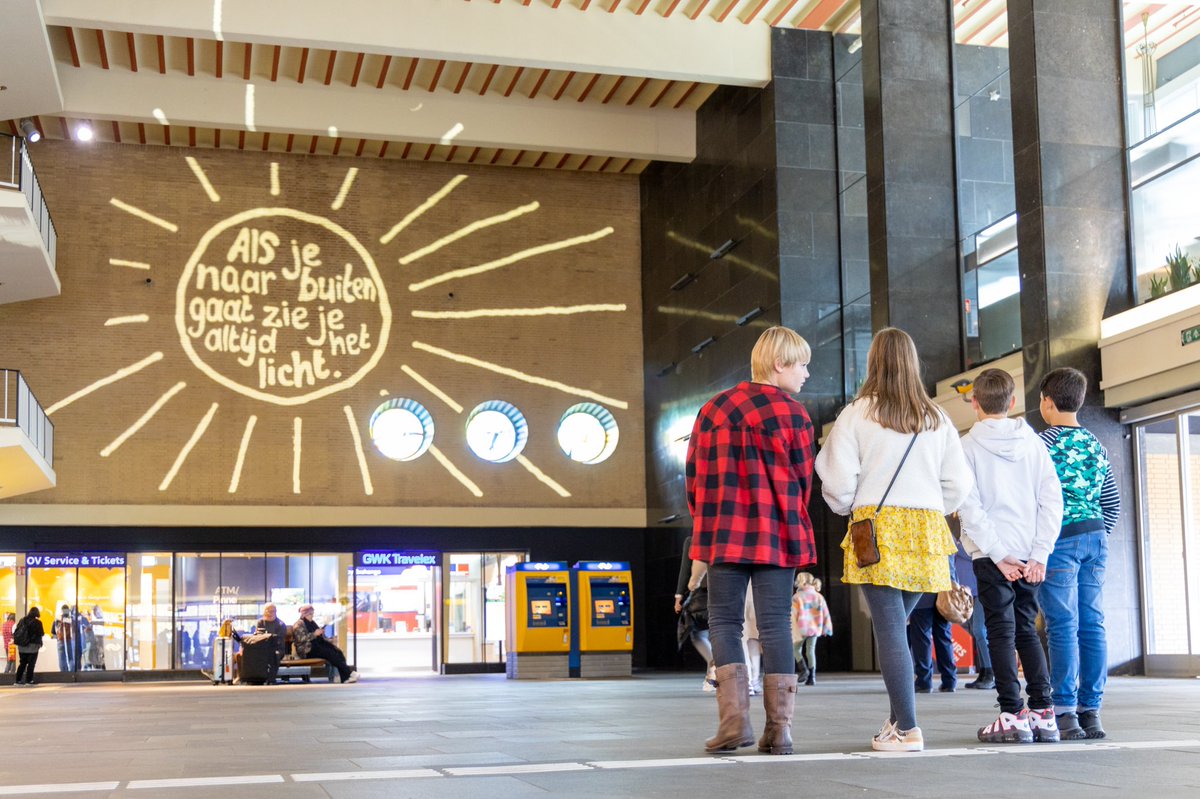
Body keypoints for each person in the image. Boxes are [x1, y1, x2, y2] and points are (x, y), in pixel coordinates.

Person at [815, 327, 972, 753]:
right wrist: (928, 505)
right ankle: (895, 721)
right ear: (913, 362)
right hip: (925, 528)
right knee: (895, 629)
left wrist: (848, 505)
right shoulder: (936, 416)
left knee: (889, 632)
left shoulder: (857, 413)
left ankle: (908, 728)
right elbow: (959, 482)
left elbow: (837, 477)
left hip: (877, 528)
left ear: (874, 362)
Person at [685, 325, 816, 756]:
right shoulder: (795, 416)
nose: (806, 375)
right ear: (780, 364)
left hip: (724, 532)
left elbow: (694, 480)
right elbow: (802, 481)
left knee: (725, 623)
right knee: (776, 623)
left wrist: (704, 523)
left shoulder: (712, 410)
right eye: (802, 365)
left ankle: (733, 725)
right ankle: (780, 731)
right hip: (777, 533)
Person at [957, 367, 1064, 744]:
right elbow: (1052, 499)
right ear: (1013, 402)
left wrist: (999, 555)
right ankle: (1044, 714)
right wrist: (1040, 555)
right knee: (1027, 631)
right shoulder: (1033, 442)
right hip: (1029, 554)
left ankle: (1012, 715)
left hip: (992, 554)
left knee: (1000, 632)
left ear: (975, 403)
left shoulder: (966, 447)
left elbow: (969, 507)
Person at [1037, 366, 1120, 740]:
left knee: (1062, 626)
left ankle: (1065, 712)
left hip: (1058, 541)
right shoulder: (1097, 444)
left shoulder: (1042, 445)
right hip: (1095, 538)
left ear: (1047, 402)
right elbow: (1112, 504)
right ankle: (1092, 711)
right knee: (1092, 623)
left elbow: (1031, 500)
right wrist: (1097, 534)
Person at [674, 534, 715, 692]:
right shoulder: (728, 536)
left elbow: (686, 569)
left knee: (698, 634)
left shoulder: (693, 540)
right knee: (721, 634)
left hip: (702, 593)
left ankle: (713, 664)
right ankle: (713, 675)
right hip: (727, 592)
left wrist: (679, 596)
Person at [292, 604, 358, 683]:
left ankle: (345, 678)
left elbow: (318, 636)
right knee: (329, 653)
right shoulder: (299, 624)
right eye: (310, 614)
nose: (312, 616)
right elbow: (300, 639)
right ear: (305, 614)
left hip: (316, 646)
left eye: (312, 614)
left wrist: (322, 634)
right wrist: (314, 634)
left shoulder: (312, 623)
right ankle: (349, 673)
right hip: (307, 649)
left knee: (337, 651)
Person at [907, 591, 957, 693]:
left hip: (922, 596)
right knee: (944, 637)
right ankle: (950, 681)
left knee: (922, 639)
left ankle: (924, 681)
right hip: (944, 595)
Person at [790, 573, 831, 686]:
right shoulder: (818, 596)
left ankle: (803, 670)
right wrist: (826, 628)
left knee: (795, 650)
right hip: (814, 628)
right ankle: (812, 677)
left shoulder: (797, 597)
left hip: (801, 628)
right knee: (810, 651)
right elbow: (825, 613)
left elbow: (792, 614)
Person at [14, 607, 45, 685]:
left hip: (22, 646)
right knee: (31, 664)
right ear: (37, 613)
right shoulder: (37, 622)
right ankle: (29, 680)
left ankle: (18, 680)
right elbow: (41, 633)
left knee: (22, 663)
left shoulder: (22, 620)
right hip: (33, 646)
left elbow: (17, 631)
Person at [51, 604, 76, 673]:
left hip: (60, 640)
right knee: (71, 657)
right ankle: (72, 672)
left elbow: (53, 631)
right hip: (70, 640)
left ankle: (63, 673)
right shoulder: (71, 619)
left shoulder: (57, 620)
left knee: (62, 658)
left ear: (62, 610)